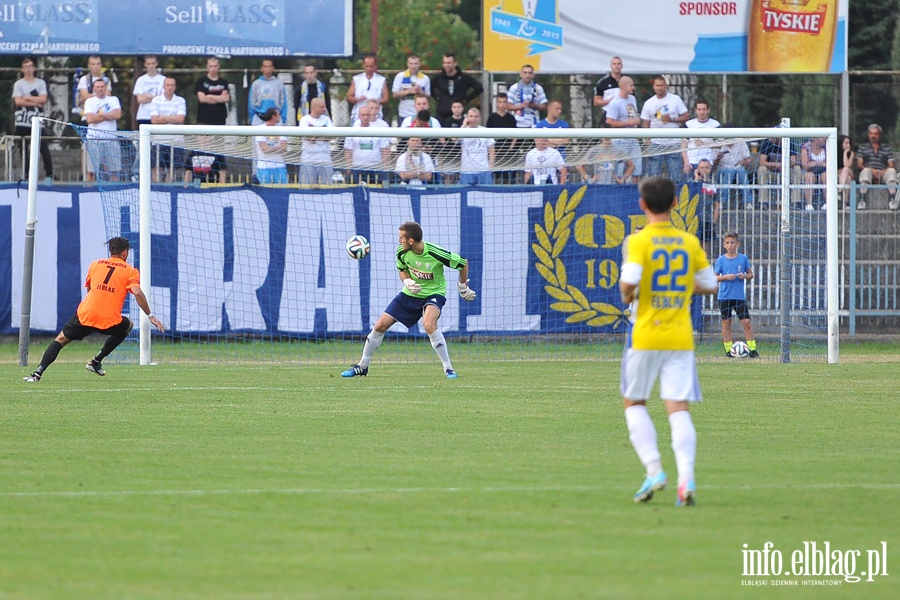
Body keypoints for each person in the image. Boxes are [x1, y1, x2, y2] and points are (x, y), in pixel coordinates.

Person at [619, 176, 718, 507]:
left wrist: (631, 295)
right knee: (678, 410)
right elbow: (710, 284)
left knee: (634, 403)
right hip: (680, 336)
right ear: (676, 203)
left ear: (642, 205)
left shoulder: (639, 241)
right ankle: (686, 478)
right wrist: (681, 287)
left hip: (645, 334)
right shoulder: (689, 241)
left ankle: (654, 470)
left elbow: (628, 282)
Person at [341, 221, 476, 379]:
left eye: (401, 238)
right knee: (380, 325)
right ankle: (362, 366)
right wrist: (407, 281)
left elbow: (462, 263)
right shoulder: (401, 252)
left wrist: (462, 286)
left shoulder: (435, 253)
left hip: (434, 293)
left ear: (411, 241)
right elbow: (402, 270)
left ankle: (448, 368)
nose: (399, 241)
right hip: (409, 294)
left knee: (429, 324)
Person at [23, 237, 165, 382]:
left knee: (60, 340)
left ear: (111, 250)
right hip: (108, 319)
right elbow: (138, 292)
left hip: (86, 314)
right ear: (125, 253)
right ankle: (96, 361)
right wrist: (150, 315)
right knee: (128, 325)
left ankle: (37, 374)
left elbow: (90, 289)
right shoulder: (130, 271)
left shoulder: (95, 264)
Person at [714, 232, 759, 359]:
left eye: (732, 242)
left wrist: (743, 276)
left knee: (746, 322)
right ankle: (729, 350)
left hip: (739, 297)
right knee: (726, 323)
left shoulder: (743, 258)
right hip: (724, 296)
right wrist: (725, 277)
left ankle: (752, 349)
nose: (730, 245)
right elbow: (714, 277)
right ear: (724, 245)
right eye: (727, 243)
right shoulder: (721, 260)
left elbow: (750, 275)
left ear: (737, 244)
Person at [12, 57, 53, 184]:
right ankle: (26, 174)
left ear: (34, 68)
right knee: (23, 147)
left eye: (30, 66)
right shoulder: (18, 84)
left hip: (37, 119)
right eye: (26, 67)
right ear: (22, 69)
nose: (28, 69)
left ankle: (49, 175)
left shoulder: (40, 83)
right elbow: (18, 101)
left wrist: (27, 98)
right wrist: (35, 100)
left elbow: (43, 99)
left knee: (43, 147)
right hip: (22, 120)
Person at [640, 76, 689, 181]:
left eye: (661, 85)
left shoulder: (675, 99)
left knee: (675, 175)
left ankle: (675, 196)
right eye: (657, 85)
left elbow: (686, 116)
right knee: (654, 176)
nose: (659, 88)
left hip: (674, 142)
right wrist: (647, 139)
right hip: (655, 143)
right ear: (653, 87)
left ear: (665, 86)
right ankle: (654, 197)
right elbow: (646, 122)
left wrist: (672, 119)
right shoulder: (649, 103)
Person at [194, 56, 231, 183]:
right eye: (211, 66)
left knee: (219, 151)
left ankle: (221, 179)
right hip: (204, 120)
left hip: (220, 121)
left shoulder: (224, 82)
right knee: (203, 149)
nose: (213, 68)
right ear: (207, 66)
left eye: (215, 66)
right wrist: (217, 97)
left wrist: (209, 96)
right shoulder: (201, 81)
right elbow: (202, 99)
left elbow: (226, 99)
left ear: (219, 67)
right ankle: (203, 178)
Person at [77, 55, 112, 182]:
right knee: (86, 147)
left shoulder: (106, 79)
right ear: (89, 65)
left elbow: (108, 95)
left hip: (104, 117)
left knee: (106, 145)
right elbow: (84, 96)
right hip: (87, 117)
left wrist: (91, 96)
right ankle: (86, 175)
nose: (95, 66)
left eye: (98, 64)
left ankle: (105, 176)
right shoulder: (84, 80)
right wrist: (96, 95)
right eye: (93, 64)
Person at [149, 76, 188, 183]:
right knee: (157, 167)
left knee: (173, 168)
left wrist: (164, 117)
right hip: (159, 140)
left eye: (172, 85)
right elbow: (154, 120)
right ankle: (156, 189)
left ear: (175, 87)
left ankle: (169, 188)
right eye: (168, 85)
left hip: (176, 140)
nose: (170, 87)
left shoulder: (180, 100)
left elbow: (180, 118)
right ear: (164, 86)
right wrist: (172, 118)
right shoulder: (156, 100)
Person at [604, 76, 642, 184]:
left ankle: (635, 192)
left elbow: (633, 115)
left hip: (633, 140)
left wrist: (636, 123)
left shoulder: (632, 99)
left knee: (637, 168)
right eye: (631, 85)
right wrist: (628, 123)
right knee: (619, 169)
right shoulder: (615, 102)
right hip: (620, 141)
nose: (633, 87)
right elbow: (610, 121)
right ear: (624, 86)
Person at [83, 79, 122, 182]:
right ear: (94, 89)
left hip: (111, 139)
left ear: (106, 88)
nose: (100, 89)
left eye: (102, 86)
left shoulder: (113, 99)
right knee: (91, 172)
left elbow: (117, 115)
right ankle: (89, 192)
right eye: (98, 87)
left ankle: (114, 192)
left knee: (114, 172)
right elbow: (90, 119)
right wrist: (110, 116)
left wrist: (101, 115)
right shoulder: (90, 101)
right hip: (94, 140)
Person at [343, 104, 391, 184]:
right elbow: (348, 151)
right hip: (357, 167)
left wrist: (385, 168)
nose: (365, 117)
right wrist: (349, 168)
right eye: (363, 115)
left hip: (375, 167)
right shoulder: (352, 131)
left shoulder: (378, 131)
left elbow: (385, 150)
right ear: (359, 116)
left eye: (367, 115)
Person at [856, 123, 899, 210]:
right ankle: (862, 200)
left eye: (875, 134)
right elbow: (859, 164)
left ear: (879, 135)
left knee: (891, 171)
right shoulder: (862, 147)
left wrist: (883, 171)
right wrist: (872, 170)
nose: (873, 136)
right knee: (865, 171)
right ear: (868, 134)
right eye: (871, 133)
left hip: (882, 172)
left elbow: (891, 165)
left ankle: (892, 200)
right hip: (869, 171)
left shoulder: (886, 148)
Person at [431, 52, 484, 122]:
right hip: (442, 114)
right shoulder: (438, 77)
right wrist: (438, 98)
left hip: (459, 116)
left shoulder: (464, 77)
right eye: (444, 63)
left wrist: (465, 99)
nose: (446, 65)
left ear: (455, 63)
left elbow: (479, 88)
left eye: (449, 63)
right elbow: (430, 88)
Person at [297, 98, 335, 185]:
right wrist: (323, 136)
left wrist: (315, 136)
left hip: (325, 160)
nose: (324, 109)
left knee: (327, 189)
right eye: (322, 107)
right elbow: (307, 136)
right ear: (314, 107)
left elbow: (332, 135)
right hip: (308, 160)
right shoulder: (304, 120)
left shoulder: (327, 120)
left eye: (324, 106)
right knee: (306, 188)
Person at [756, 136, 801, 208]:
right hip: (771, 172)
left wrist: (784, 165)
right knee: (761, 169)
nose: (771, 138)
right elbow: (762, 162)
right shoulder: (766, 144)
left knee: (797, 168)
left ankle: (795, 202)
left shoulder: (789, 143)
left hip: (786, 172)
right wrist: (775, 164)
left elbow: (793, 162)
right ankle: (763, 201)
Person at [681, 100, 720, 178]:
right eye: (699, 109)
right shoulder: (689, 125)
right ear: (695, 111)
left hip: (707, 163)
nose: (702, 112)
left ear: (708, 110)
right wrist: (686, 162)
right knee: (691, 187)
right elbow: (683, 146)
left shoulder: (715, 125)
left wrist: (705, 144)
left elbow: (719, 146)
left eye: (704, 109)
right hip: (691, 162)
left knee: (706, 187)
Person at [346, 53, 389, 122]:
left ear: (375, 66)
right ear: (363, 65)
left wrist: (375, 101)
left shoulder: (381, 80)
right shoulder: (357, 79)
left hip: (376, 115)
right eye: (367, 66)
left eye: (371, 66)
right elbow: (348, 97)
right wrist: (358, 99)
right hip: (359, 114)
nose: (369, 68)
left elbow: (386, 98)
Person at [714, 133, 753, 209]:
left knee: (741, 171)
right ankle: (722, 201)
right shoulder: (718, 144)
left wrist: (743, 162)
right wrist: (718, 158)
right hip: (722, 171)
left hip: (738, 169)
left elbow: (748, 160)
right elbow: (713, 164)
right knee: (729, 171)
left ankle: (748, 202)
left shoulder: (741, 142)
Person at [486, 92, 518, 184]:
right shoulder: (492, 118)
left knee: (508, 178)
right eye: (500, 102)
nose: (502, 104)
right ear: (497, 103)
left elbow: (515, 135)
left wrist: (511, 148)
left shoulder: (511, 118)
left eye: (504, 102)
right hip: (495, 152)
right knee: (495, 176)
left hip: (508, 153)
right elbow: (488, 135)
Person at [458, 107, 495, 186]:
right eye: (471, 116)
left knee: (488, 194)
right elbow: (453, 139)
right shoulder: (462, 131)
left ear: (479, 118)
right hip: (467, 171)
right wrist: (463, 125)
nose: (473, 119)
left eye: (476, 116)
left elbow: (492, 150)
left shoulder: (486, 131)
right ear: (467, 117)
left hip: (483, 170)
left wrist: (490, 168)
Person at [506, 64, 548, 129]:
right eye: (525, 72)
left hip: (534, 123)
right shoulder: (514, 88)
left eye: (530, 73)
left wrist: (533, 105)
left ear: (533, 75)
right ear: (521, 74)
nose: (527, 75)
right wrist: (521, 106)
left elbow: (544, 106)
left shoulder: (538, 88)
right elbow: (508, 106)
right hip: (517, 123)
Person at [254, 108, 289, 184]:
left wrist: (271, 148)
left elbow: (284, 148)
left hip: (279, 166)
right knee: (265, 192)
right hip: (264, 167)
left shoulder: (281, 129)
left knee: (282, 192)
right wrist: (278, 147)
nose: (280, 116)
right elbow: (265, 150)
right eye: (279, 114)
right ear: (273, 116)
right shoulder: (260, 129)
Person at [248, 59, 288, 126]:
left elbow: (283, 101)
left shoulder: (279, 83)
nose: (268, 69)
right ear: (262, 68)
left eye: (270, 66)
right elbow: (251, 102)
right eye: (265, 66)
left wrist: (283, 118)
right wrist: (252, 118)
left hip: (275, 117)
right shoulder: (256, 84)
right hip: (259, 117)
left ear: (273, 68)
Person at [392, 54, 430, 121]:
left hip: (420, 114)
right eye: (411, 63)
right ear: (407, 64)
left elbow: (428, 97)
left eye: (415, 64)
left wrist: (421, 92)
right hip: (404, 114)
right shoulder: (400, 76)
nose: (413, 66)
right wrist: (408, 91)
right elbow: (394, 95)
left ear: (419, 64)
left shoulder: (425, 78)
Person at [133, 55, 166, 127]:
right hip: (144, 116)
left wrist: (147, 95)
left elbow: (163, 99)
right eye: (149, 64)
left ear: (157, 63)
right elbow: (140, 99)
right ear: (145, 64)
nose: (151, 66)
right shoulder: (141, 80)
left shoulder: (163, 79)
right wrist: (156, 97)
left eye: (153, 63)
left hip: (158, 115)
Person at [800, 136, 827, 210]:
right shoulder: (805, 148)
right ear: (816, 138)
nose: (824, 139)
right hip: (810, 171)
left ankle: (827, 203)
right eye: (823, 137)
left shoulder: (827, 147)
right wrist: (820, 163)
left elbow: (829, 163)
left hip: (824, 170)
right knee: (809, 177)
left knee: (826, 176)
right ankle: (809, 204)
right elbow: (805, 165)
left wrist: (814, 163)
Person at [838, 134, 855, 209]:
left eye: (849, 143)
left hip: (848, 171)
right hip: (838, 173)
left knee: (845, 169)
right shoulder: (835, 152)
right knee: (847, 179)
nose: (848, 145)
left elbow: (847, 165)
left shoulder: (851, 153)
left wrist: (845, 153)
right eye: (846, 143)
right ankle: (845, 202)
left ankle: (840, 190)